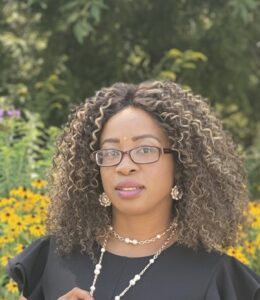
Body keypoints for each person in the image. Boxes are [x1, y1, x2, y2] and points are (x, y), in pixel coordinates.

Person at [6, 80, 260, 300]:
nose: (124, 166)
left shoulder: (219, 279)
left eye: (146, 150)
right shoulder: (53, 258)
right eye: (111, 152)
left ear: (182, 163)